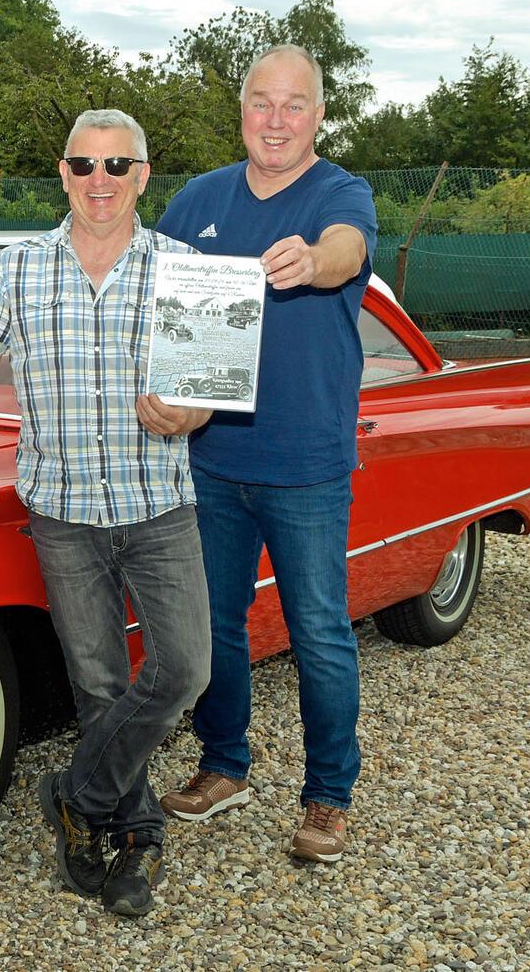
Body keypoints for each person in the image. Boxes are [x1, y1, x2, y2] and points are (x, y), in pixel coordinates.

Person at [0, 109, 212, 917]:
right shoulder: (18, 266)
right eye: (85, 165)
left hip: (159, 504)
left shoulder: (185, 267)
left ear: (143, 176)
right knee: (97, 682)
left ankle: (75, 792)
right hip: (62, 512)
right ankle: (131, 834)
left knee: (185, 669)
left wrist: (188, 415)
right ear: (62, 175)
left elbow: (204, 390)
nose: (101, 181)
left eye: (118, 166)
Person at [155, 44, 379, 864]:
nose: (276, 120)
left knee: (319, 630)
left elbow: (347, 251)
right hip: (209, 459)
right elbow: (156, 300)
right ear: (241, 110)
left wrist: (316, 262)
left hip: (306, 463)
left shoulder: (338, 193)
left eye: (294, 104)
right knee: (215, 625)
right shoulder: (200, 198)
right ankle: (224, 765)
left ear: (319, 114)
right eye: (261, 102)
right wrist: (158, 392)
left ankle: (327, 797)